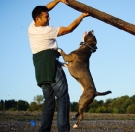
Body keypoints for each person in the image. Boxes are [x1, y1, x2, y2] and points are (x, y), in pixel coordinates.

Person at [28, 0, 89, 131]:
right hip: (52, 67)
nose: (49, 18)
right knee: (62, 98)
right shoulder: (46, 30)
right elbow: (69, 29)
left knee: (49, 103)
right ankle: (63, 129)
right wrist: (81, 17)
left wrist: (58, 0)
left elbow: (46, 8)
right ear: (38, 19)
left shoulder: (31, 27)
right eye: (46, 17)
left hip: (40, 71)